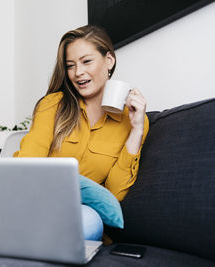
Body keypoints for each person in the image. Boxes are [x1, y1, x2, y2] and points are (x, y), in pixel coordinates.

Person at [13, 25, 149, 241]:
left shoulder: (130, 120)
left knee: (89, 222)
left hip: (83, 215)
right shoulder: (53, 105)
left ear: (109, 61)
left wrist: (137, 130)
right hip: (40, 203)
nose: (78, 73)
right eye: (70, 65)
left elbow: (115, 192)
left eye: (86, 61)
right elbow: (27, 163)